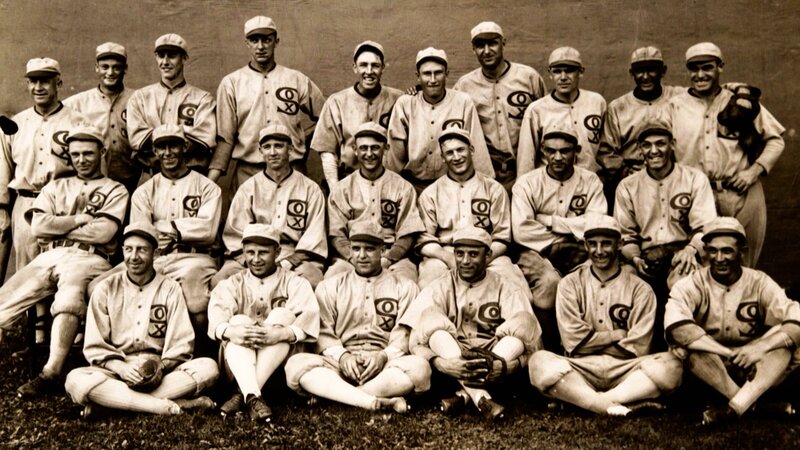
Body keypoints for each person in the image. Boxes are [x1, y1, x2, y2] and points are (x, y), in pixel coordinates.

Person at [0, 125, 128, 397]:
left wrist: (56, 225)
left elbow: (104, 232)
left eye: (88, 153)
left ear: (102, 152)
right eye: (76, 154)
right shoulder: (55, 186)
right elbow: (38, 227)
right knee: (4, 300)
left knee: (69, 297)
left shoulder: (116, 189)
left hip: (90, 258)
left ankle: (50, 372)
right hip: (51, 255)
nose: (82, 160)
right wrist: (79, 220)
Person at [529, 215, 682, 416]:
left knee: (672, 365)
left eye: (606, 243)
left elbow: (636, 347)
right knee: (538, 361)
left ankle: (587, 402)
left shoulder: (641, 289)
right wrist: (615, 335)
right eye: (593, 244)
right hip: (581, 367)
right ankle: (615, 406)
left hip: (626, 368)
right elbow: (573, 342)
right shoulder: (569, 284)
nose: (599, 251)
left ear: (620, 244)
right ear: (585, 245)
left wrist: (591, 341)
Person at [65, 222, 219, 417]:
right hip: (117, 370)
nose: (134, 256)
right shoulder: (106, 288)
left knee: (208, 368)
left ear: (155, 253)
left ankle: (110, 406)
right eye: (128, 249)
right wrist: (122, 368)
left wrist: (160, 367)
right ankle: (164, 407)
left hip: (160, 371)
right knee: (75, 379)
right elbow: (95, 347)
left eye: (142, 250)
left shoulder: (170, 288)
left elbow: (181, 345)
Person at [90, 124, 221, 346]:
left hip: (194, 257)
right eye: (162, 147)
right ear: (155, 151)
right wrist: (185, 229)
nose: (168, 152)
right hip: (154, 258)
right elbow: (141, 234)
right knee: (97, 287)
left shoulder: (208, 187)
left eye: (174, 145)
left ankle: (198, 354)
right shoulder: (144, 191)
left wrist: (164, 226)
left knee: (196, 303)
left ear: (185, 147)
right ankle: (117, 349)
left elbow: (207, 231)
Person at [665, 217, 800, 425]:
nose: (719, 258)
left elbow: (795, 317)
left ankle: (733, 408)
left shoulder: (759, 281)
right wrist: (729, 353)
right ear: (705, 251)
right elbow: (677, 329)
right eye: (712, 251)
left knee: (787, 343)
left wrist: (760, 348)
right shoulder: (691, 283)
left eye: (727, 251)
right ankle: (747, 404)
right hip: (712, 367)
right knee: (685, 348)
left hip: (755, 366)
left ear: (742, 252)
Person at [285, 221, 429, 414]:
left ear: (382, 250)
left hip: (384, 367)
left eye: (369, 249)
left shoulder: (405, 286)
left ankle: (339, 397)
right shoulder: (330, 286)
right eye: (356, 249)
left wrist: (382, 356)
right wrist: (343, 357)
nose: (361, 255)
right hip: (339, 365)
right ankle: (374, 400)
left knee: (420, 368)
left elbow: (405, 334)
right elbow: (323, 331)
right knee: (295, 364)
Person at [667, 42, 785, 267]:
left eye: (707, 67)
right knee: (699, 261)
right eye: (694, 68)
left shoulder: (740, 102)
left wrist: (754, 171)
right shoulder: (674, 106)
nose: (700, 75)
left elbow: (775, 140)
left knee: (743, 260)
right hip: (695, 196)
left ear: (720, 67)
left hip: (741, 193)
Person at [407, 226, 541, 420]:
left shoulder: (506, 286)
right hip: (454, 358)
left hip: (495, 358)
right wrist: (442, 364)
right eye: (460, 254)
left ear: (488, 255)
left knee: (524, 323)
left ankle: (464, 395)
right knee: (433, 325)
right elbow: (415, 343)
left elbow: (534, 344)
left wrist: (508, 366)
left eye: (473, 254)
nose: (465, 261)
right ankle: (481, 398)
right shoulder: (439, 286)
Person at [614, 120, 716, 349]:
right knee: (623, 283)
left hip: (682, 252)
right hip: (646, 257)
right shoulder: (628, 186)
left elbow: (705, 227)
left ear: (672, 144)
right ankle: (635, 351)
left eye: (660, 143)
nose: (654, 150)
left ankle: (688, 349)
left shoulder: (694, 178)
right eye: (647, 145)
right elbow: (625, 235)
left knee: (684, 284)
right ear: (639, 149)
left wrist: (691, 249)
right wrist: (635, 258)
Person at [208, 223, 319, 422]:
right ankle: (253, 396)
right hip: (238, 362)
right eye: (250, 252)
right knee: (238, 321)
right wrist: (234, 332)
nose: (256, 259)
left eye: (263, 252)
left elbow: (308, 321)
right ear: (243, 252)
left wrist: (279, 333)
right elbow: (217, 320)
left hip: (280, 366)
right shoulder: (233, 282)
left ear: (277, 252)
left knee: (281, 316)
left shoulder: (295, 281)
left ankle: (243, 393)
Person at [511, 123, 607, 349]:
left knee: (591, 281)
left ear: (577, 151)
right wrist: (563, 238)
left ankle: (586, 346)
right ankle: (550, 347)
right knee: (550, 282)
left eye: (564, 151)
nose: (557, 157)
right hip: (536, 251)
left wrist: (549, 221)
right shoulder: (527, 183)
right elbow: (522, 229)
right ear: (543, 151)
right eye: (551, 151)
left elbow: (597, 222)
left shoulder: (590, 180)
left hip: (580, 250)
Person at [210, 16, 325, 191]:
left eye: (266, 40)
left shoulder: (296, 79)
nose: (260, 46)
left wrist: (303, 139)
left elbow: (327, 118)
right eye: (254, 40)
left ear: (276, 42)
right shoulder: (231, 83)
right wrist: (209, 183)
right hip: (249, 172)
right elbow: (225, 138)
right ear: (247, 43)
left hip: (293, 170)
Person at [416, 128, 530, 297]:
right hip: (446, 253)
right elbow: (424, 239)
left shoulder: (494, 189)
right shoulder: (431, 193)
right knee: (428, 291)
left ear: (471, 150)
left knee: (519, 292)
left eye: (460, 150)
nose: (456, 157)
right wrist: (447, 258)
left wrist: (483, 258)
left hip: (487, 253)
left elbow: (502, 236)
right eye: (449, 153)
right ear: (443, 158)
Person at [0, 58, 87, 277]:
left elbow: (91, 170)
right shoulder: (15, 123)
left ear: (59, 83)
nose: (38, 87)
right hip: (26, 202)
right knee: (26, 275)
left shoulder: (78, 122)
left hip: (63, 204)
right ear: (27, 84)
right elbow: (3, 170)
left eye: (45, 81)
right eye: (33, 81)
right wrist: (2, 209)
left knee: (62, 271)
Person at [215, 124, 327, 288]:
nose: (273, 152)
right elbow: (235, 235)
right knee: (221, 281)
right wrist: (253, 262)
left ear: (290, 149)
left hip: (293, 255)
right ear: (260, 151)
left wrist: (287, 263)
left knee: (313, 279)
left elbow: (314, 237)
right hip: (254, 254)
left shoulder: (310, 189)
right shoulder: (248, 188)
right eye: (267, 147)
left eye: (279, 146)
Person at [386, 47, 494, 193]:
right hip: (413, 185)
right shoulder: (406, 104)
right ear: (418, 76)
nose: (432, 80)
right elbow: (394, 154)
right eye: (427, 74)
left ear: (446, 74)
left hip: (453, 187)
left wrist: (485, 187)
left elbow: (476, 146)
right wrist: (389, 188)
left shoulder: (462, 101)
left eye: (438, 73)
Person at [453, 21, 546, 191]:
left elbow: (546, 122)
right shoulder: (464, 85)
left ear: (503, 43)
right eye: (480, 45)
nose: (487, 51)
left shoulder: (529, 77)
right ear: (473, 49)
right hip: (485, 173)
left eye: (492, 43)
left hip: (526, 168)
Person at [326, 122, 424, 282]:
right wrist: (352, 258)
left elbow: (408, 233)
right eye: (363, 148)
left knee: (407, 281)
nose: (369, 153)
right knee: (332, 279)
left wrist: (388, 259)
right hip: (353, 256)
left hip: (391, 256)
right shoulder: (342, 188)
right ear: (355, 150)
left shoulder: (403, 187)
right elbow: (336, 234)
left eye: (375, 148)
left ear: (386, 149)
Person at [597, 46, 683, 209]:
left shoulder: (679, 97)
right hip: (632, 179)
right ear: (632, 73)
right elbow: (607, 152)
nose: (645, 76)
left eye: (651, 70)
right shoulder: (618, 107)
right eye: (639, 71)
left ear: (663, 71)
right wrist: (630, 174)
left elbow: (710, 93)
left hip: (674, 178)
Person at [312, 41, 401, 190]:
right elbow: (327, 151)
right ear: (355, 68)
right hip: (348, 181)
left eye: (375, 65)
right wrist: (335, 189)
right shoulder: (337, 101)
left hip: (389, 184)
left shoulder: (399, 99)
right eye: (363, 65)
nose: (369, 71)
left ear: (383, 68)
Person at [127, 33, 216, 177]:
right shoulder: (140, 97)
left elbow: (205, 140)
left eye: (172, 56)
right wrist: (184, 132)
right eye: (161, 56)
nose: (165, 62)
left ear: (184, 58)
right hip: (151, 175)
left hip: (192, 175)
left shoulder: (203, 99)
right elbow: (137, 140)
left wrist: (156, 135)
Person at [64, 42, 140, 194]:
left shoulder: (139, 99)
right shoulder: (76, 104)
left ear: (125, 69)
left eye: (116, 67)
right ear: (96, 68)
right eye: (105, 67)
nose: (110, 72)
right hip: (89, 184)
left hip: (132, 182)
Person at [517, 47, 606, 174]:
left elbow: (605, 150)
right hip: (550, 182)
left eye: (569, 71)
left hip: (590, 181)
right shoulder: (536, 109)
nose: (563, 77)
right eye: (557, 71)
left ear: (581, 72)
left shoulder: (597, 102)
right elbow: (526, 160)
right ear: (550, 74)